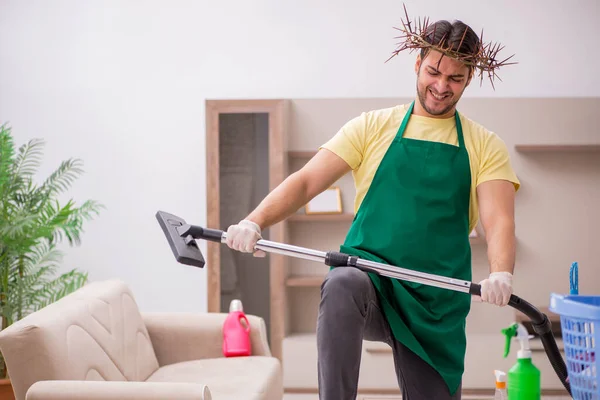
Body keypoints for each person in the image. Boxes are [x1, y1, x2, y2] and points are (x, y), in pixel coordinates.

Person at [224, 14, 520, 400]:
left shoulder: (485, 144)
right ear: (417, 64)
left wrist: (502, 273)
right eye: (434, 72)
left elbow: (499, 221)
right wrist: (254, 220)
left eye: (455, 79)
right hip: (372, 283)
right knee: (342, 281)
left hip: (436, 301)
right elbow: (306, 181)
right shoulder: (372, 126)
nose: (441, 86)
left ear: (469, 79)